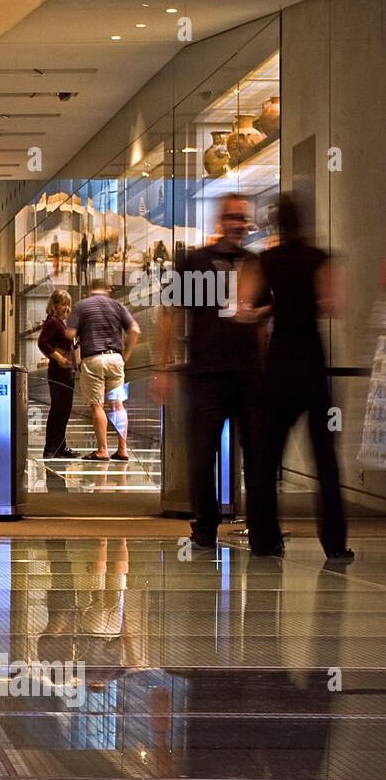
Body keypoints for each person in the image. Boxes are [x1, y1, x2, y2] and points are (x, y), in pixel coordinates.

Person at [241, 194, 352, 560]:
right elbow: (334, 305)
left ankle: (264, 540)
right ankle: (334, 544)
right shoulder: (320, 258)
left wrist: (274, 307)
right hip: (311, 363)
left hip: (278, 365)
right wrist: (309, 304)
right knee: (325, 458)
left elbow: (244, 311)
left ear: (275, 223)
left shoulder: (265, 261)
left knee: (266, 458)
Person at [153, 192, 265, 552]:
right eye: (232, 218)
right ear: (221, 222)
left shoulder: (253, 264)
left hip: (248, 375)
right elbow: (170, 312)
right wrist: (163, 368)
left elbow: (263, 317)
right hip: (205, 374)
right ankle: (205, 526)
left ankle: (261, 527)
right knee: (201, 455)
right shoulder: (195, 262)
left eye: (242, 219)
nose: (238, 224)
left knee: (258, 454)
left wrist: (263, 362)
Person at [66, 280, 139, 461]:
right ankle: (122, 449)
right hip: (116, 358)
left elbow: (69, 334)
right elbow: (135, 330)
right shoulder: (118, 306)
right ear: (107, 289)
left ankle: (102, 450)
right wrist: (126, 355)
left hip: (93, 359)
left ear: (90, 290)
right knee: (117, 405)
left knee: (97, 405)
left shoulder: (81, 306)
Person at [38, 290, 78, 458]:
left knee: (63, 410)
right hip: (59, 372)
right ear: (54, 305)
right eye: (63, 304)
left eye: (68, 304)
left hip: (65, 371)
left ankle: (60, 446)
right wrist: (59, 358)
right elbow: (43, 343)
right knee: (59, 410)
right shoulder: (53, 322)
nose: (66, 308)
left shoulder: (60, 323)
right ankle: (52, 448)